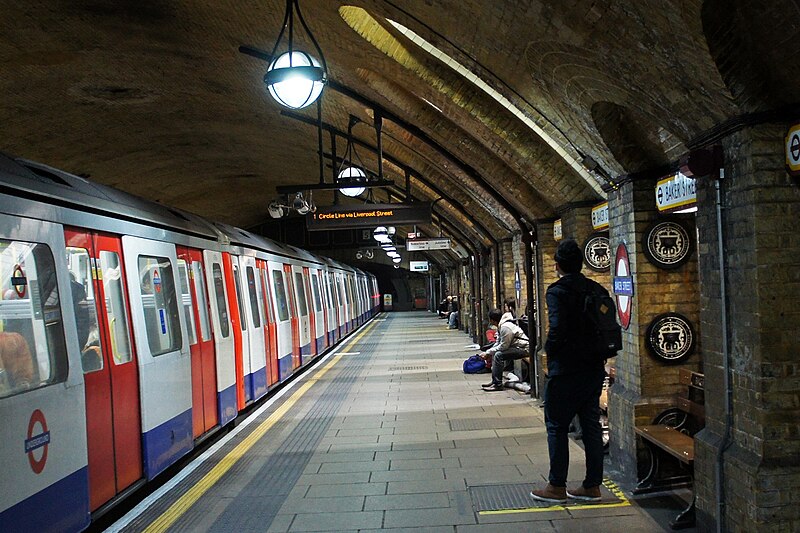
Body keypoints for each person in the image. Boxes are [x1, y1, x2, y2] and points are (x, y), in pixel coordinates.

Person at [530, 239, 608, 504]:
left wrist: (548, 352)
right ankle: (592, 485)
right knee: (591, 426)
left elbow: (558, 328)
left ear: (558, 265)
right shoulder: (595, 288)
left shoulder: (557, 291)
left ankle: (556, 486)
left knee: (557, 426)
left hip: (566, 370)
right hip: (594, 368)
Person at [479, 308, 529, 392]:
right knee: (496, 353)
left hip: (524, 348)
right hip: (516, 347)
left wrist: (488, 352)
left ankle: (498, 384)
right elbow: (498, 342)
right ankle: (495, 381)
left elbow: (503, 346)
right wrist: (488, 352)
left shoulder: (505, 327)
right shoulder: (501, 326)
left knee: (499, 355)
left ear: (492, 320)